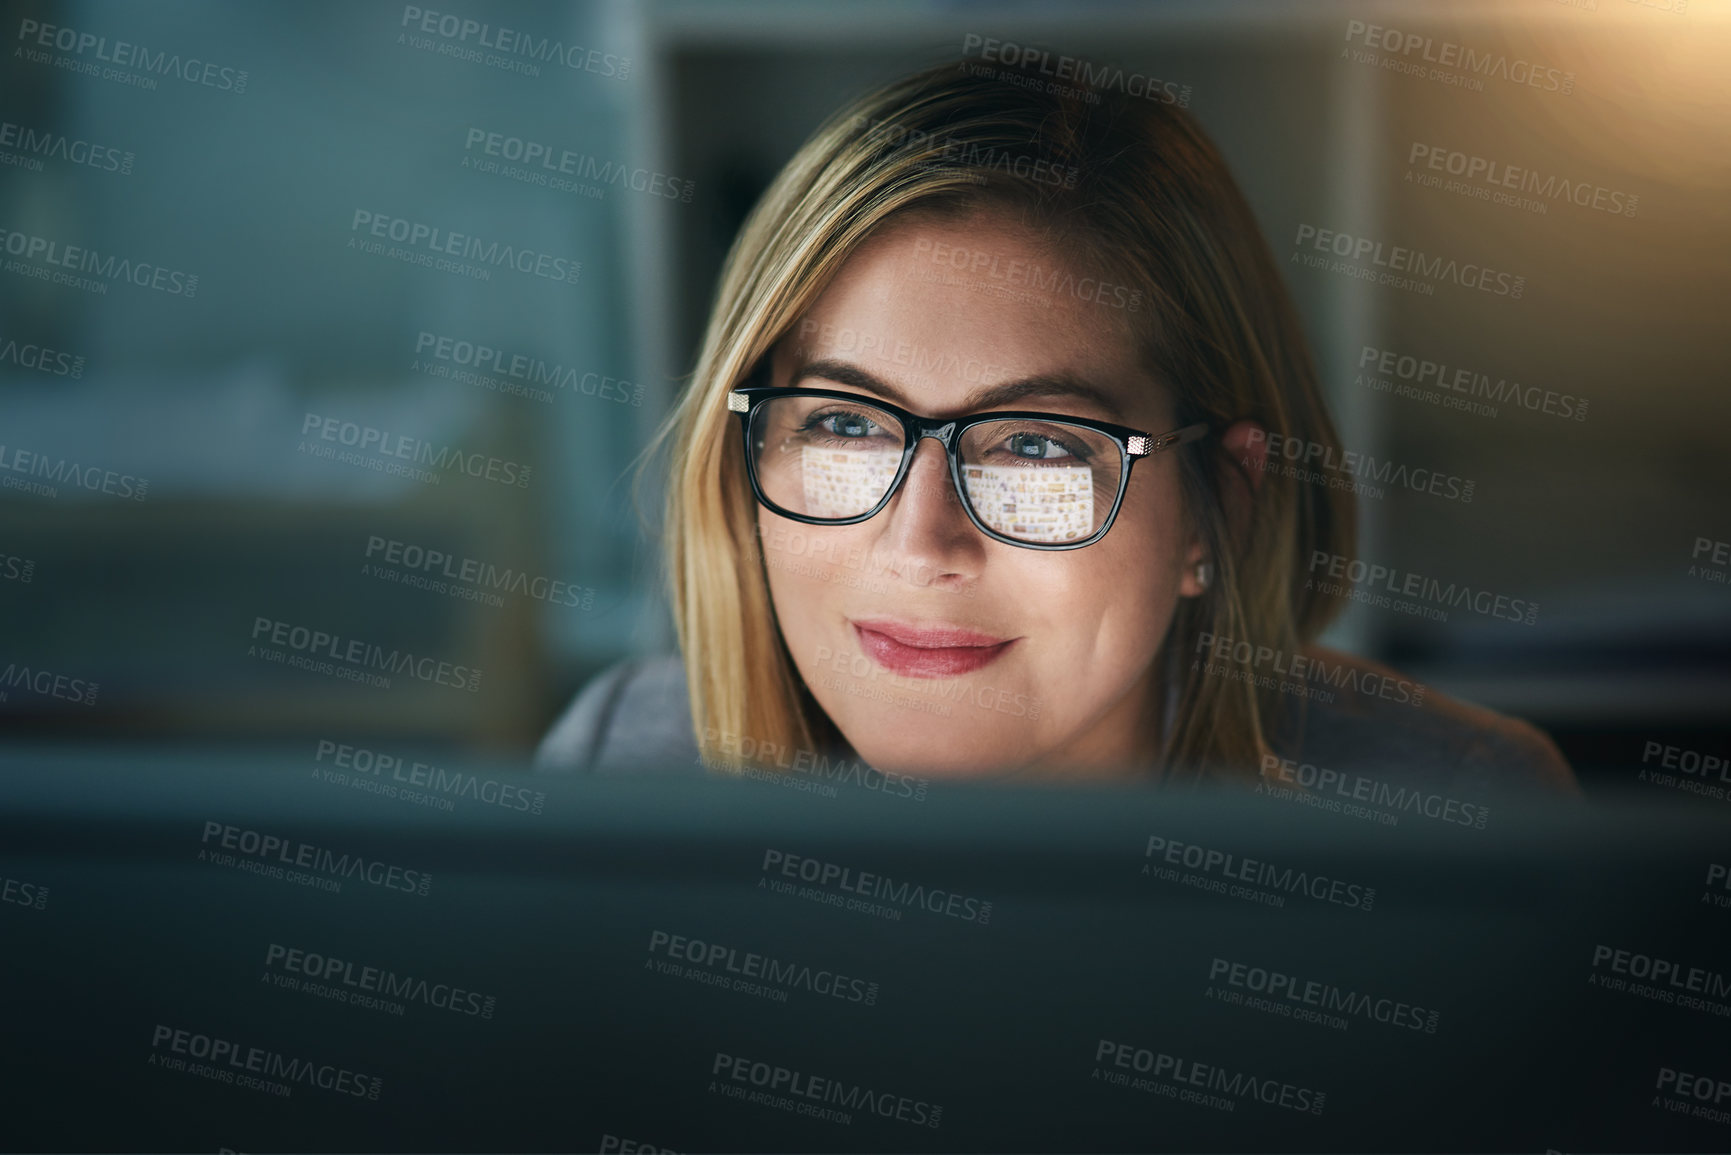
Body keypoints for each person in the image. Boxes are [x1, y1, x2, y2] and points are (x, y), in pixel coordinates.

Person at [535, 56, 1578, 796]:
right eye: (847, 427)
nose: (920, 545)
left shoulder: (1460, 815)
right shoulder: (621, 764)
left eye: (1036, 445)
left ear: (1218, 508)